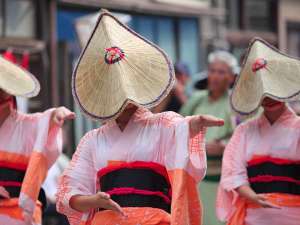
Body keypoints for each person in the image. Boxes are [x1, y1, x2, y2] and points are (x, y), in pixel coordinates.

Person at [56, 10, 224, 225]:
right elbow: (67, 194)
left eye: (128, 92)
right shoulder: (93, 140)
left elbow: (180, 127)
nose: (124, 100)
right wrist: (93, 200)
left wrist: (193, 124)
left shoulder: (162, 124)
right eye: (116, 93)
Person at [216, 38, 300, 225]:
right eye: (263, 92)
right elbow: (233, 172)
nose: (269, 97)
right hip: (254, 218)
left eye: (273, 91)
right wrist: (252, 196)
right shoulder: (244, 131)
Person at [0, 55, 74, 225]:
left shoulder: (27, 126)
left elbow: (46, 121)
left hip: (19, 215)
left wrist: (56, 115)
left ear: (8, 97)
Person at [180, 50, 238, 225]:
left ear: (232, 77)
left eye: (221, 72)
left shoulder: (235, 103)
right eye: (212, 70)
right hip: (195, 177)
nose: (215, 76)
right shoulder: (197, 100)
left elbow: (243, 135)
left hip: (222, 178)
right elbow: (179, 126)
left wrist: (224, 146)